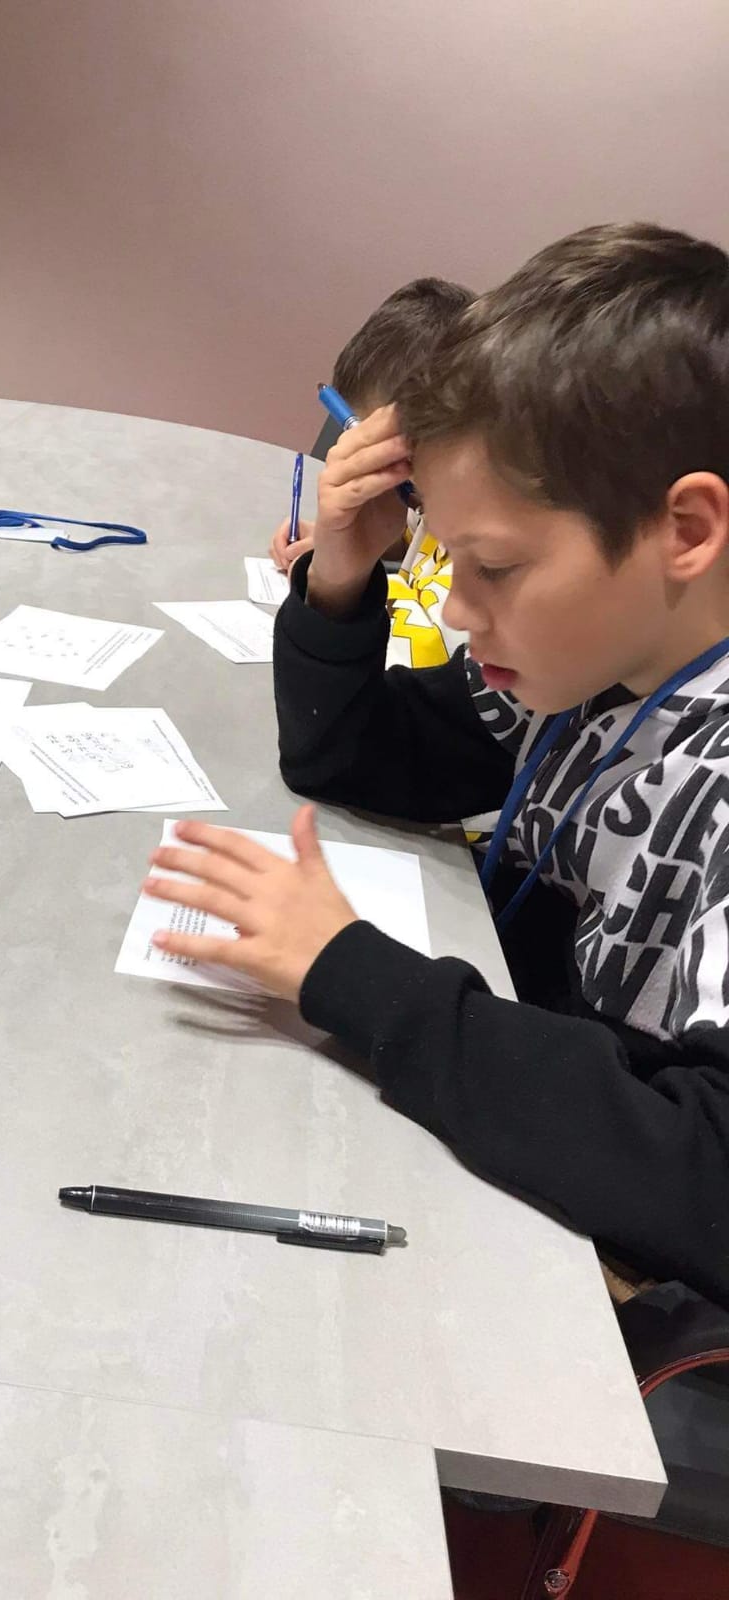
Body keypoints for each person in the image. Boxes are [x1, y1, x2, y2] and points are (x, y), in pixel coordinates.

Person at [143, 222, 729, 1308]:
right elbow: (353, 754)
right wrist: (341, 573)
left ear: (685, 529)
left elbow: (704, 1178)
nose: (457, 609)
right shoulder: (597, 663)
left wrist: (353, 974)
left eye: (493, 566)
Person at [268, 278, 473, 669]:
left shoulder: (487, 584)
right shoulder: (430, 496)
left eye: (397, 463)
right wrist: (339, 543)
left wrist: (333, 584)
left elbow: (400, 669)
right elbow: (410, 540)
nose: (390, 483)